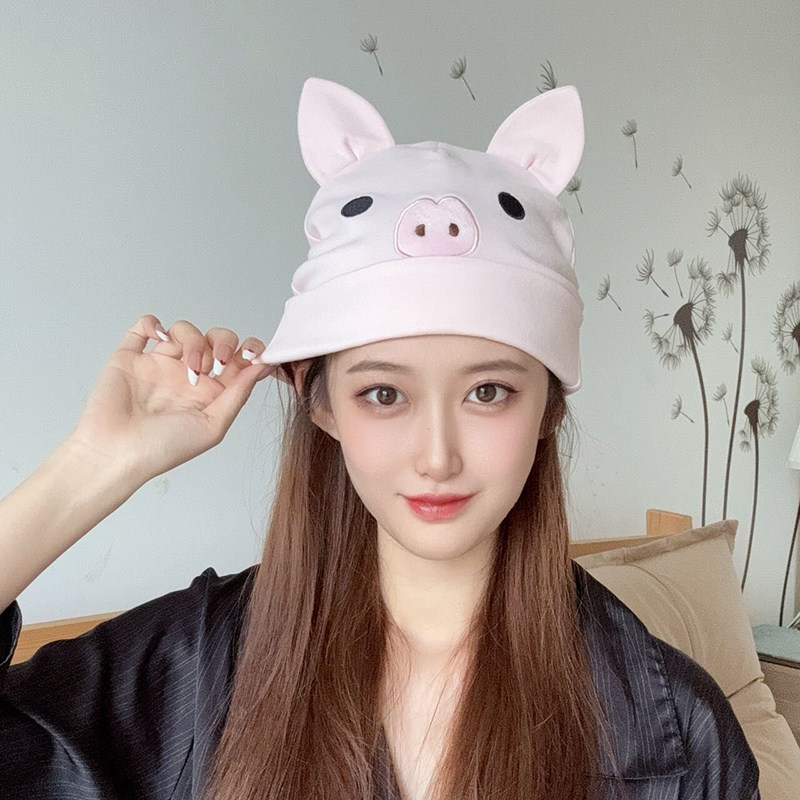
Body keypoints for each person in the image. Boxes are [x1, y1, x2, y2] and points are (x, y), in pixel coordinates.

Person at [0, 78, 761, 800]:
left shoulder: (683, 734)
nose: (437, 457)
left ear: (549, 408)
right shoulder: (199, 671)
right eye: (385, 394)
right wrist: (92, 467)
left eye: (488, 392)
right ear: (322, 403)